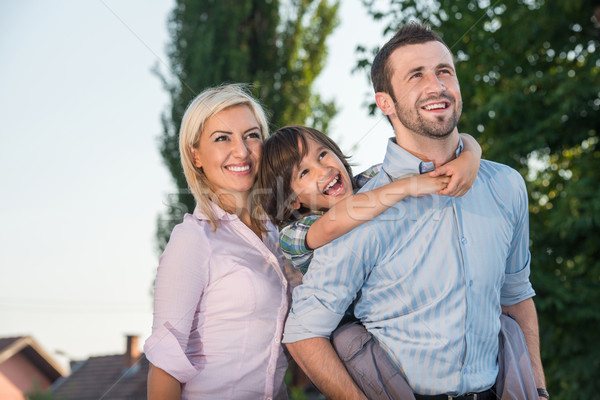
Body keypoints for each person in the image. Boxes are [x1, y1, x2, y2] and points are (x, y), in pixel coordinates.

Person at [283, 23, 547, 400]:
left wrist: (539, 389)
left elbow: (517, 295)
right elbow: (303, 332)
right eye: (415, 76)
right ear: (385, 103)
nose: (436, 86)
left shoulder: (505, 185)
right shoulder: (359, 212)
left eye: (444, 71)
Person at [144, 84, 290, 399]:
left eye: (252, 135)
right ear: (195, 154)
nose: (241, 151)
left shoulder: (279, 235)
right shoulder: (193, 239)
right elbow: (165, 365)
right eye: (222, 138)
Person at [257, 125, 481, 273]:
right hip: (353, 326)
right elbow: (332, 225)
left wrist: (470, 155)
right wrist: (406, 187)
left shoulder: (370, 180)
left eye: (322, 154)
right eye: (303, 173)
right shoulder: (292, 234)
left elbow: (448, 145)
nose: (323, 170)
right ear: (291, 202)